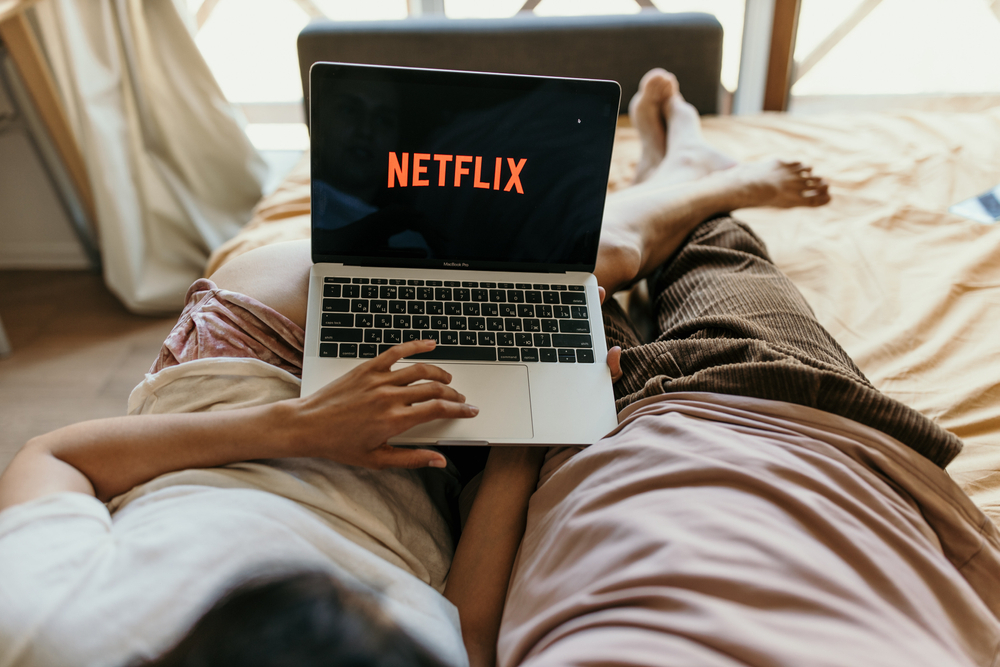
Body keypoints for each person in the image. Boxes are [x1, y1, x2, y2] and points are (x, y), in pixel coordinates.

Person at [4, 68, 991, 667]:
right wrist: (522, 441)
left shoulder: (43, 630)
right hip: (427, 456)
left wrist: (297, 429)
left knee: (516, 260)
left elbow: (58, 453)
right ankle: (681, 186)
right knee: (545, 278)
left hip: (243, 384)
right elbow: (472, 633)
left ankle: (685, 186)